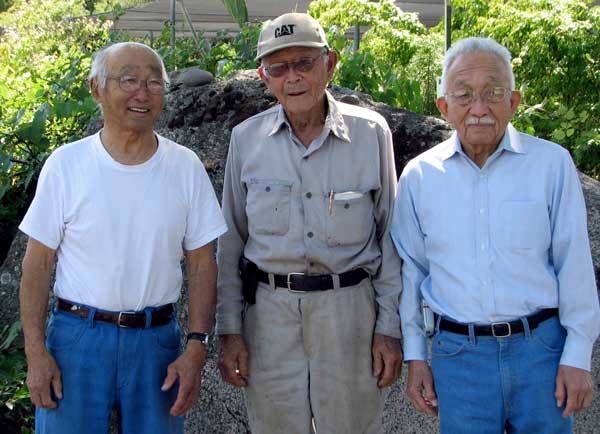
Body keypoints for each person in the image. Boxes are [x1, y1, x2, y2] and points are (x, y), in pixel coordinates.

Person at [391, 36, 600, 434]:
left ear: (514, 101)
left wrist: (578, 354)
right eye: (464, 95)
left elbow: (573, 262)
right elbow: (412, 273)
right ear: (444, 107)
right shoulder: (419, 177)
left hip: (541, 350)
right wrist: (416, 356)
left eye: (493, 92)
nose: (480, 108)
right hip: (459, 357)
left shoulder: (551, 165)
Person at [18, 41, 227, 434]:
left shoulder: (185, 167)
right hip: (77, 339)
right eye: (129, 80)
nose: (142, 93)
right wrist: (35, 351)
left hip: (155, 343)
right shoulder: (66, 164)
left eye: (154, 83)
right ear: (97, 88)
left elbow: (203, 262)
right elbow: (38, 262)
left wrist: (197, 345)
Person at [216, 12, 403, 434]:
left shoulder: (371, 133)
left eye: (304, 63)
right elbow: (229, 242)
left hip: (350, 313)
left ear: (330, 64)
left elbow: (392, 238)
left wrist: (390, 328)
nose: (293, 77)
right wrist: (229, 330)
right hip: (269, 317)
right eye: (278, 68)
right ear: (264, 77)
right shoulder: (246, 139)